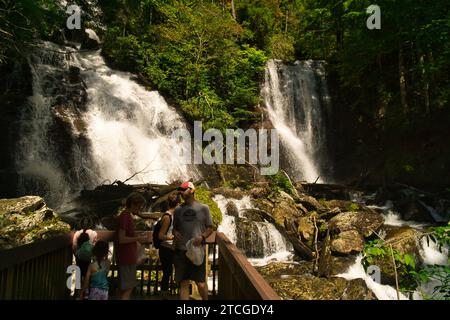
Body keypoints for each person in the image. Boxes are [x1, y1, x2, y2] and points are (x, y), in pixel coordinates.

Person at [173, 181, 213, 300]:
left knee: (200, 283)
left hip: (197, 251)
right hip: (181, 251)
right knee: (184, 284)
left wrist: (202, 237)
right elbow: (174, 228)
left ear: (191, 190)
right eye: (180, 190)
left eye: (183, 189)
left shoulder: (204, 208)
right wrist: (174, 232)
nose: (181, 192)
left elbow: (210, 228)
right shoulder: (178, 210)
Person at [115, 192, 150, 300]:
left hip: (127, 256)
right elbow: (121, 239)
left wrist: (137, 236)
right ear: (134, 204)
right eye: (140, 206)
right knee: (128, 288)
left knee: (124, 288)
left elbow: (126, 236)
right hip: (126, 257)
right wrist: (138, 238)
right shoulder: (125, 216)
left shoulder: (126, 216)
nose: (140, 209)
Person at [158, 192, 180, 299]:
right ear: (177, 204)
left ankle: (172, 293)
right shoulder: (167, 217)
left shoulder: (175, 215)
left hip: (173, 248)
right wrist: (171, 237)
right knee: (167, 272)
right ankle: (164, 295)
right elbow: (160, 235)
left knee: (174, 271)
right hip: (166, 248)